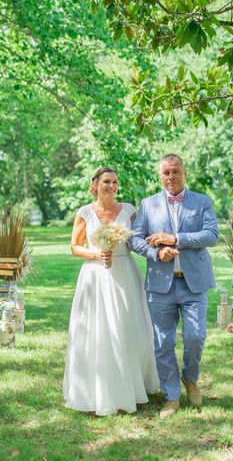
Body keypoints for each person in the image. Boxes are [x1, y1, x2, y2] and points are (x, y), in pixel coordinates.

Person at [64, 167, 159, 416]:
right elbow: (74, 246)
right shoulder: (84, 212)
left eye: (115, 182)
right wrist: (96, 253)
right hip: (95, 275)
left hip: (125, 273)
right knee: (98, 329)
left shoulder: (128, 210)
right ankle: (97, 390)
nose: (112, 186)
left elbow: (140, 237)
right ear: (95, 184)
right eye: (107, 181)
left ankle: (133, 385)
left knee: (128, 328)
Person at [129, 154, 218, 419]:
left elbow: (211, 235)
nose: (171, 177)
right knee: (162, 342)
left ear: (184, 173)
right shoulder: (147, 205)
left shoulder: (202, 201)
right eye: (166, 172)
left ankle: (190, 379)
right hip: (160, 284)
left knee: (195, 337)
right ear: (160, 175)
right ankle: (170, 395)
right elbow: (134, 240)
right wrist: (157, 253)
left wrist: (175, 238)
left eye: (175, 171)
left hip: (194, 284)